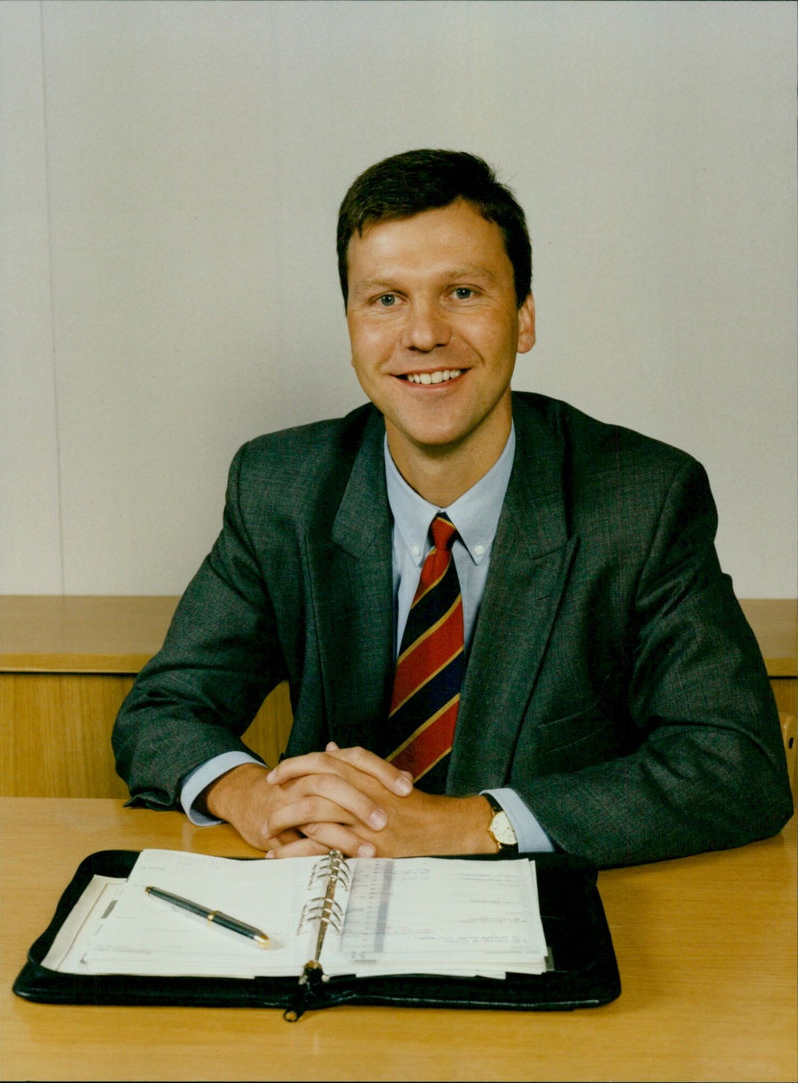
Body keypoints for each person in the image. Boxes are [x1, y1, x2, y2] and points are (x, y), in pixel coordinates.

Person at [113, 149, 792, 868]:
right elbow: (164, 710)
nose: (424, 334)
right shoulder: (280, 487)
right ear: (350, 328)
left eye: (463, 293)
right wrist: (254, 796)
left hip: (557, 924)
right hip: (324, 905)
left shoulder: (642, 500)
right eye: (385, 299)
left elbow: (738, 761)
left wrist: (473, 824)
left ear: (524, 319)